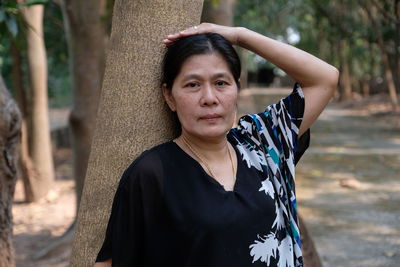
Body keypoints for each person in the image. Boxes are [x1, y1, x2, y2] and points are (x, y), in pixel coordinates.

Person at [94, 23, 339, 267]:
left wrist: (240, 35)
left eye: (221, 83)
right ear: (169, 96)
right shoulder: (152, 173)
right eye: (193, 85)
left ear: (237, 89)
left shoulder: (262, 142)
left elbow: (324, 78)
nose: (210, 98)